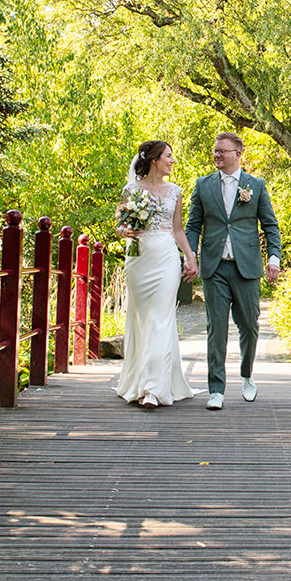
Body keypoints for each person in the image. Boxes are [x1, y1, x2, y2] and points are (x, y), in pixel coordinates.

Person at [184, 132, 281, 411]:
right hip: (213, 267)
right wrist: (191, 256)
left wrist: (273, 258)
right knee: (216, 328)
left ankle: (247, 374)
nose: (216, 155)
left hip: (247, 267)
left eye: (222, 151)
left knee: (249, 325)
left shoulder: (256, 186)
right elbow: (193, 226)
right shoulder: (203, 185)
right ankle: (216, 389)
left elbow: (270, 226)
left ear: (238, 154)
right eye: (215, 151)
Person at [114, 141, 199, 408]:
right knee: (142, 320)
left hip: (165, 258)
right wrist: (125, 232)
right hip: (139, 260)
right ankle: (139, 381)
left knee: (160, 318)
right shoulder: (131, 190)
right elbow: (119, 224)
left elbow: (177, 230)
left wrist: (190, 256)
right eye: (169, 156)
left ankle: (153, 389)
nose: (173, 161)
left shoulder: (175, 191)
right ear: (154, 160)